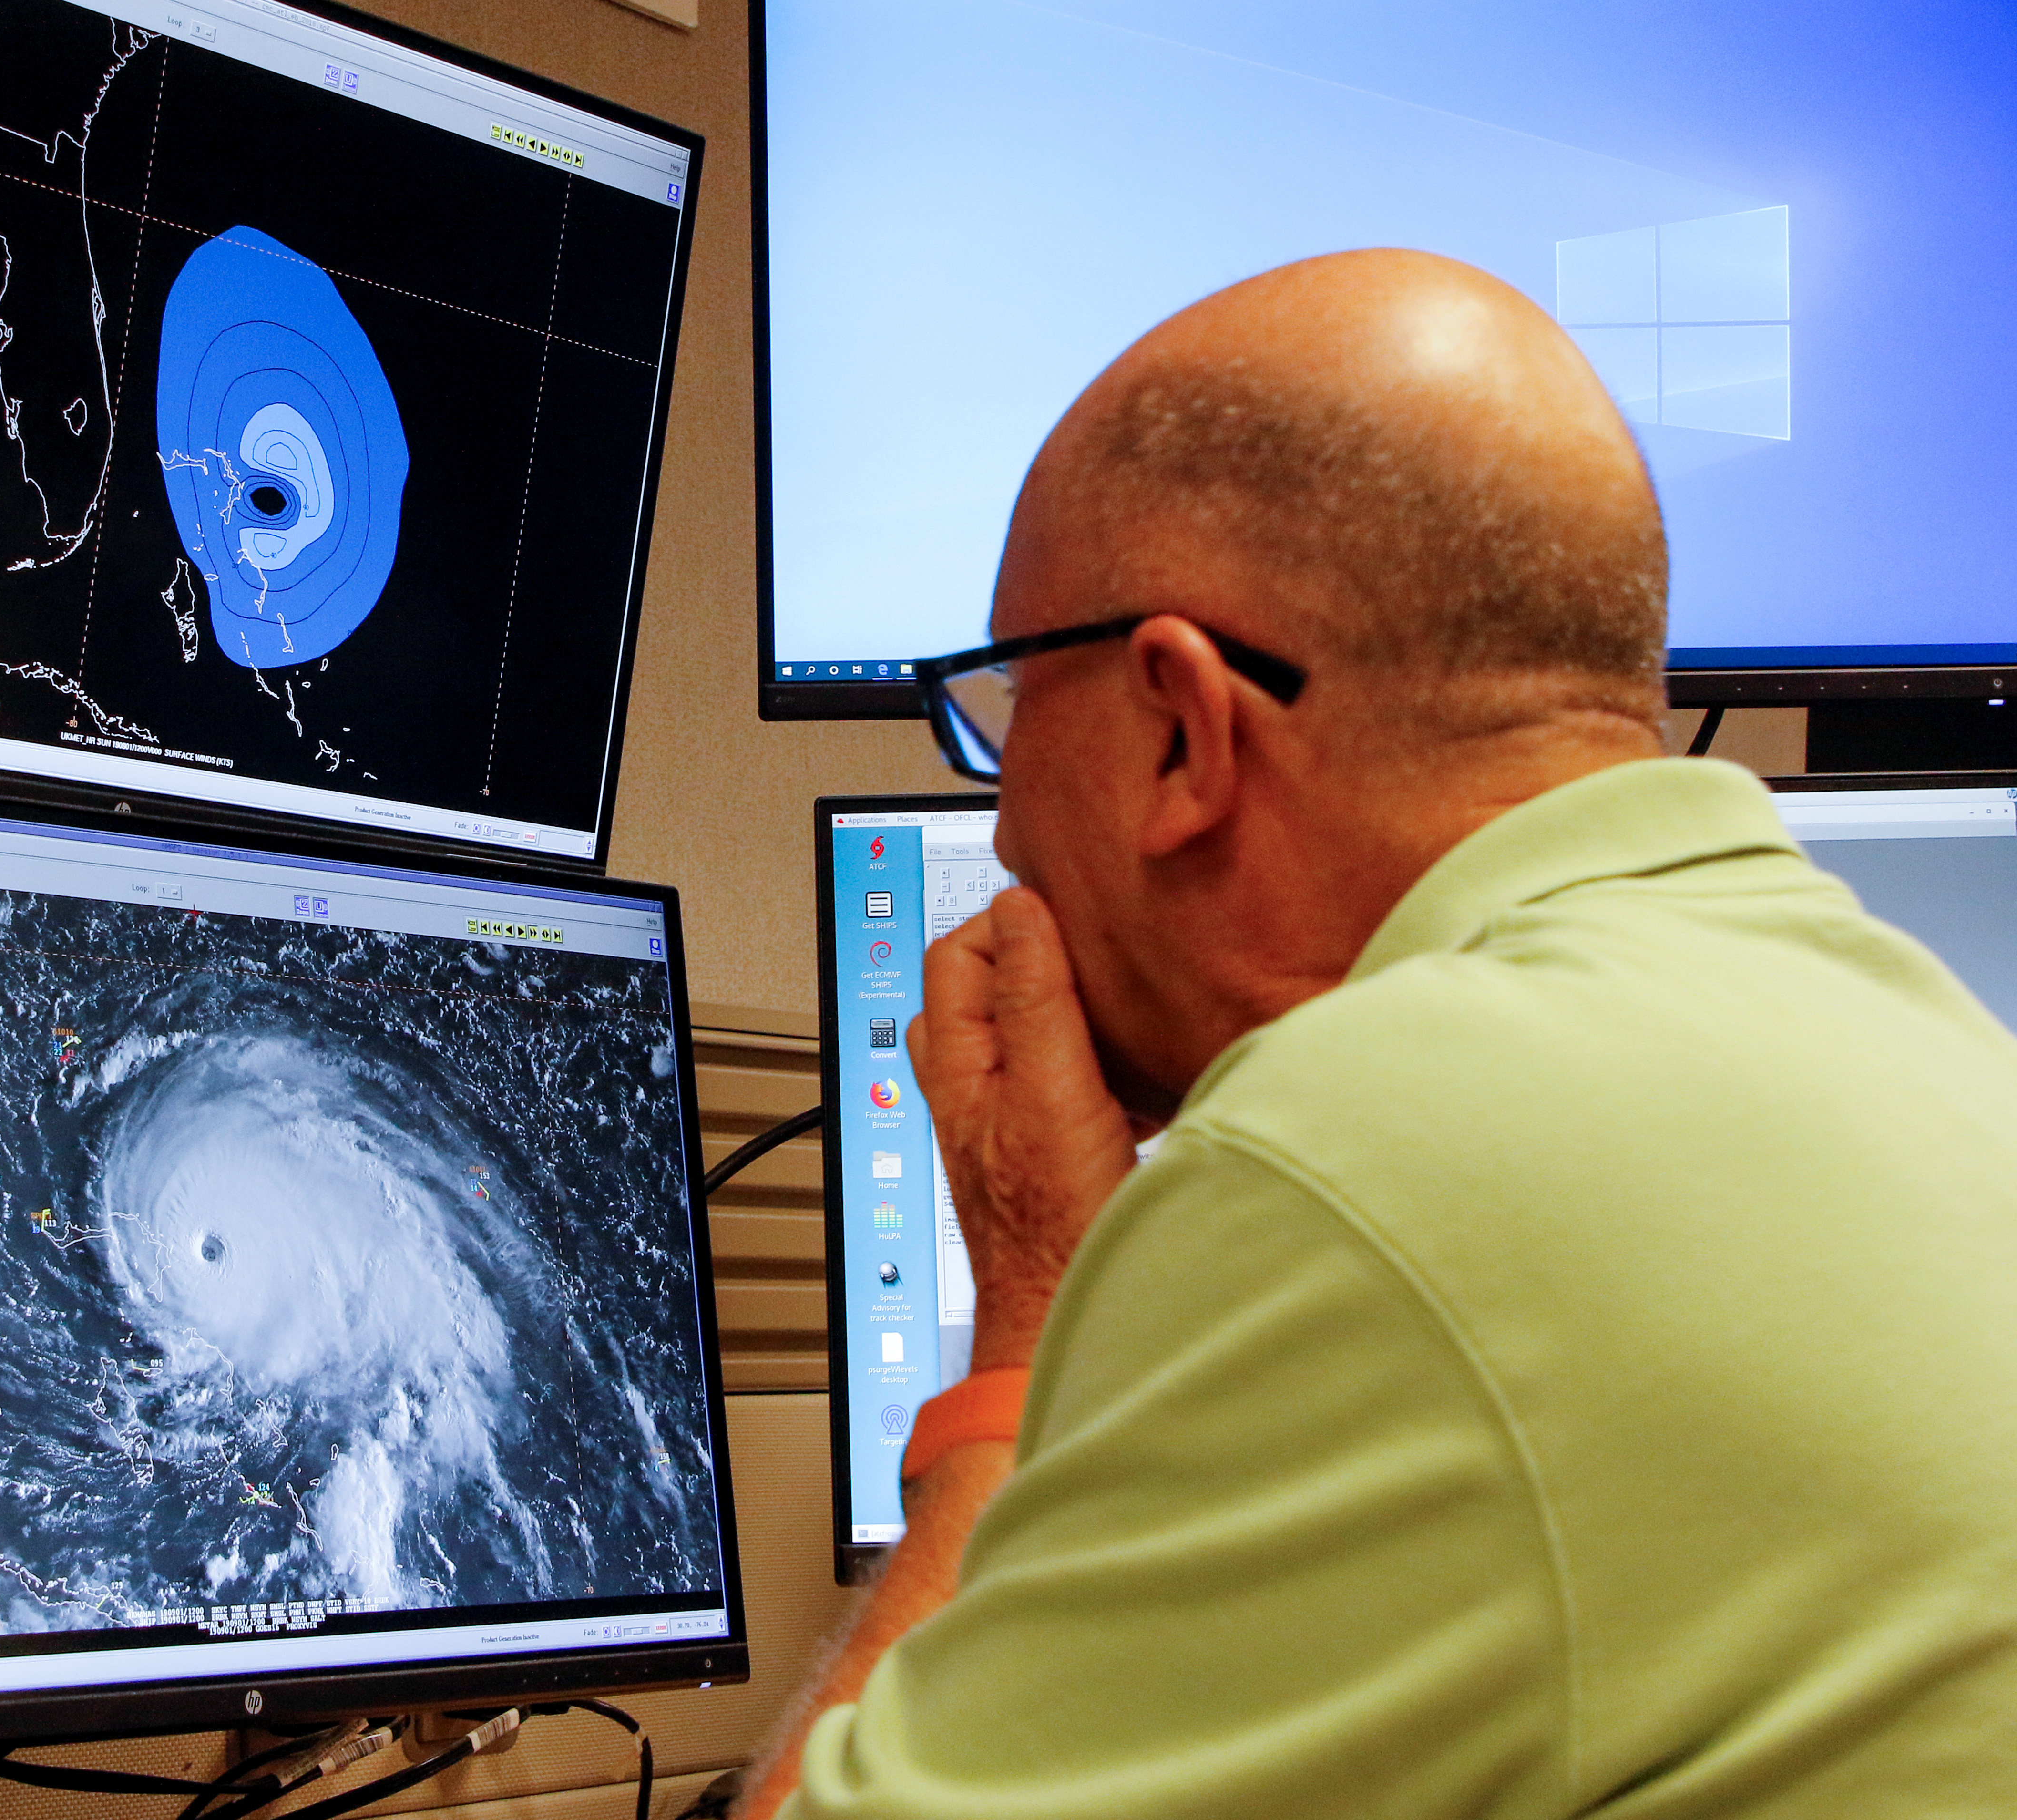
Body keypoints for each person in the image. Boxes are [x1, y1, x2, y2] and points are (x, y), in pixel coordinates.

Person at [740, 249, 2017, 1818]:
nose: (1001, 830)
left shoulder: (1352, 1164)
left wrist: (1025, 1329)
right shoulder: (1939, 1053)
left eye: (1006, 711)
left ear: (1178, 728)